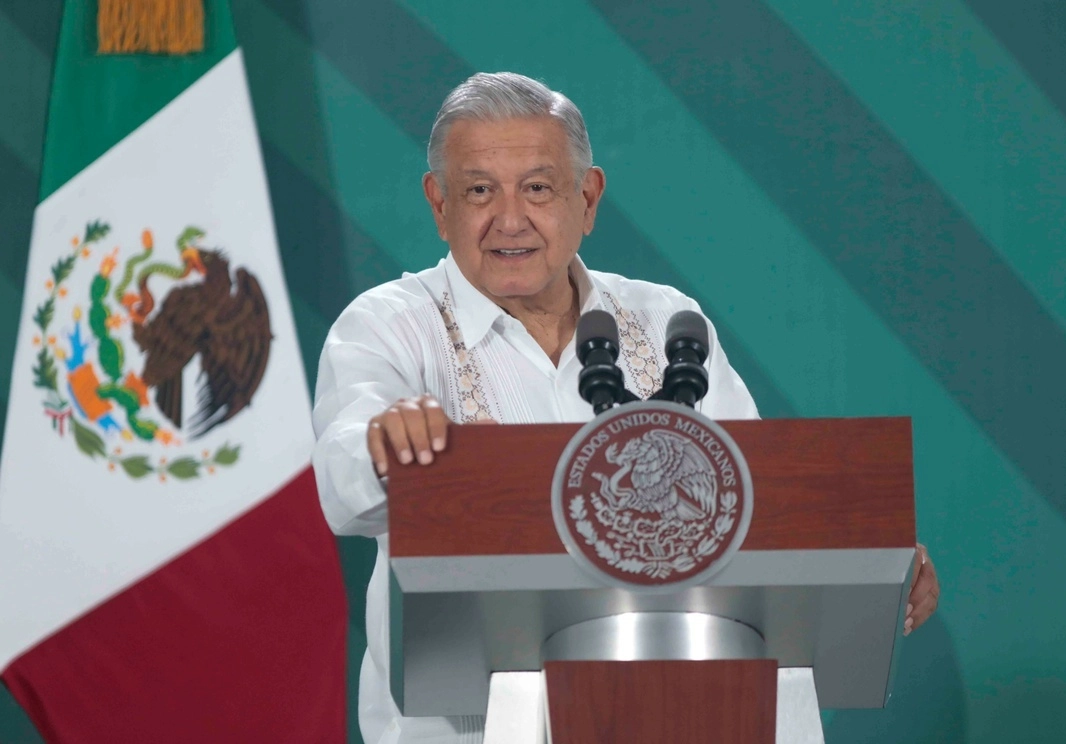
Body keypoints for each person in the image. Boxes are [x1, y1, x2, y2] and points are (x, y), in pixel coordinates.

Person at [312, 72, 940, 744]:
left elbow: (755, 503)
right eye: (477, 191)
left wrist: (861, 555)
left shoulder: (665, 319)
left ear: (587, 198)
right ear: (439, 205)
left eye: (538, 187)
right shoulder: (387, 326)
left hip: (692, 715)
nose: (510, 219)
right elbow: (344, 486)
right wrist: (390, 443)